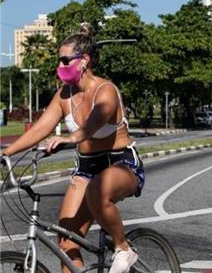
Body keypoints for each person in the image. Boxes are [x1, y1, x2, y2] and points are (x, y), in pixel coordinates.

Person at [1, 25, 144, 273]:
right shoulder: (63, 95)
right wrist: (6, 153)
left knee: (99, 191)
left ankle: (124, 249)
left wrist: (69, 139)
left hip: (121, 164)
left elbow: (93, 124)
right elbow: (39, 129)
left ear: (84, 61)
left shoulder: (105, 90)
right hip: (87, 169)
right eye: (59, 60)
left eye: (65, 60)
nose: (60, 65)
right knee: (67, 241)